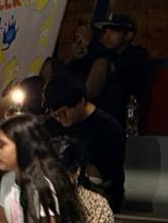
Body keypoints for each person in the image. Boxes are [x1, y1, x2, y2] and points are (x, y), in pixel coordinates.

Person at [45, 73, 127, 209]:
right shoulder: (52, 125)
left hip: (98, 202)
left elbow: (102, 178)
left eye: (63, 112)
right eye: (55, 114)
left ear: (81, 102)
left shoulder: (108, 128)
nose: (59, 118)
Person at [81, 14, 150, 126]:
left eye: (113, 31)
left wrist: (91, 44)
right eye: (105, 31)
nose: (107, 36)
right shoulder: (102, 54)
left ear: (128, 35)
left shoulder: (137, 55)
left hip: (124, 117)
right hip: (98, 114)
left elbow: (122, 70)